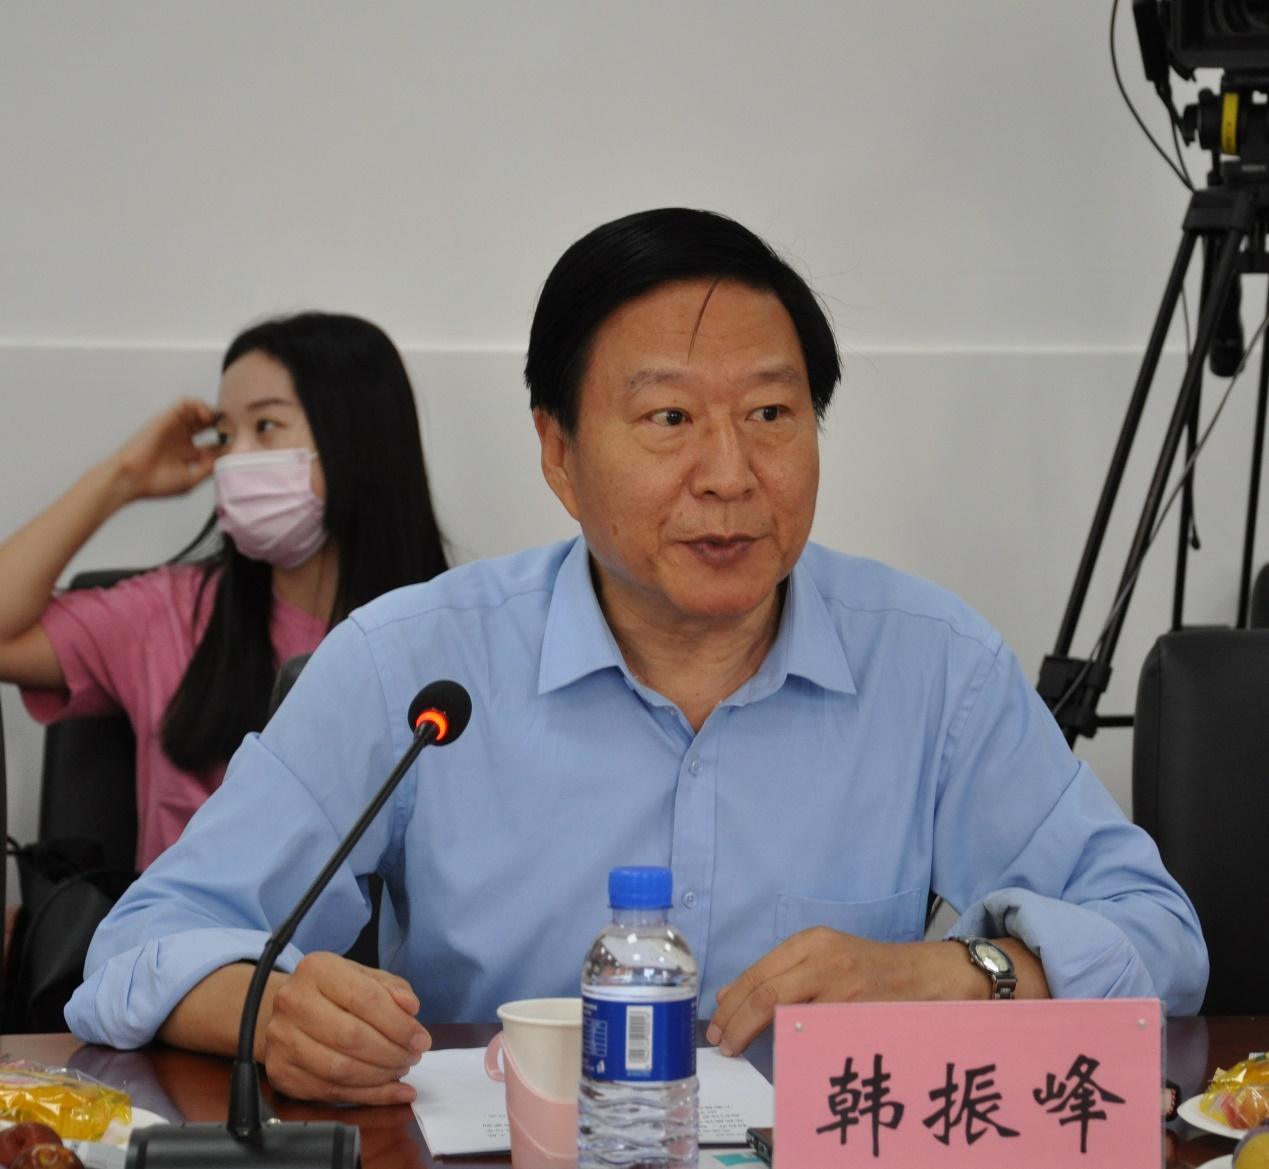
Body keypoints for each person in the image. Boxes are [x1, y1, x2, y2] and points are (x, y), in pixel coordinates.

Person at [66, 210, 1207, 1107]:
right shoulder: (410, 662)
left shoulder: (932, 664)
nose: (730, 474)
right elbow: (142, 946)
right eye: (668, 420)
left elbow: (1159, 938)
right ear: (558, 452)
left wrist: (966, 972)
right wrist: (269, 1011)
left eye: (771, 414)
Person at [0, 312, 447, 870]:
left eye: (265, 426)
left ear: (358, 438)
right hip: (181, 929)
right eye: (224, 435)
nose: (232, 459)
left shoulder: (450, 633)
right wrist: (123, 477)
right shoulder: (169, 614)